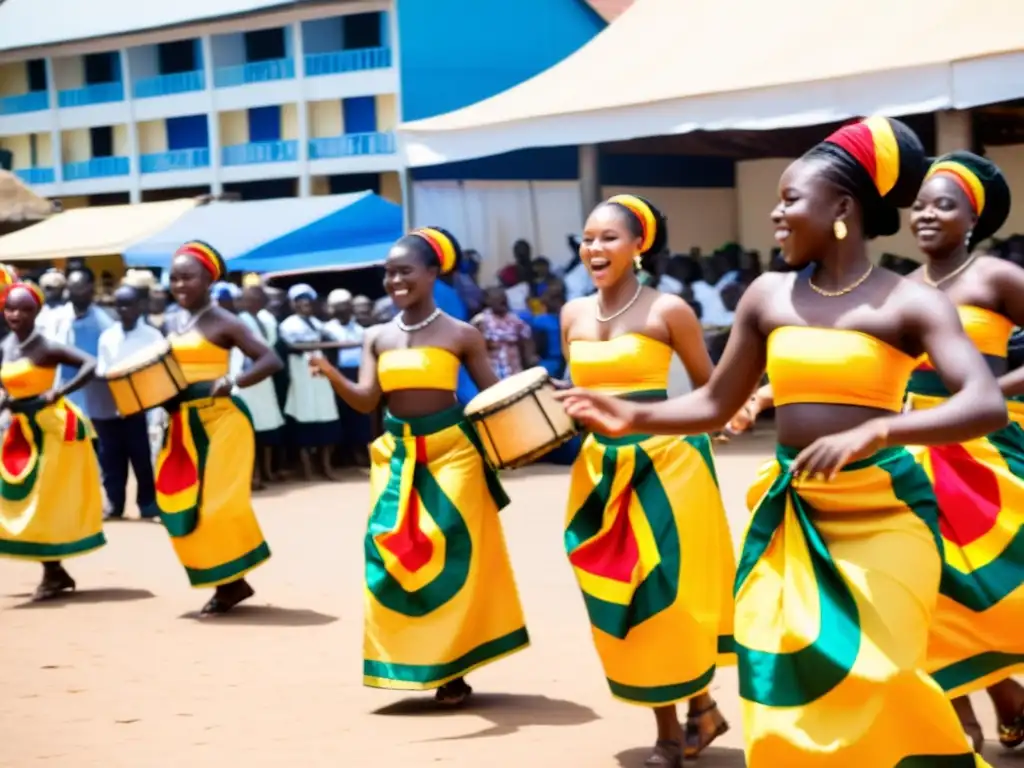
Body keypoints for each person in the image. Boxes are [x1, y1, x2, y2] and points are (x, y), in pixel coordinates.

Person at [556, 117, 1007, 766]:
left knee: (878, 674)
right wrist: (633, 415)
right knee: (779, 686)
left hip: (886, 519)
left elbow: (983, 402)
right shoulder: (767, 296)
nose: (776, 213)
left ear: (843, 209)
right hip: (793, 516)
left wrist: (881, 427)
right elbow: (715, 401)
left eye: (791, 199)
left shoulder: (908, 303)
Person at [310, 226, 528, 705]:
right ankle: (413, 660)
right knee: (390, 553)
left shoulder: (462, 333)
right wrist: (330, 375)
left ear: (433, 273)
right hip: (398, 455)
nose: (394, 280)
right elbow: (367, 399)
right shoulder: (376, 336)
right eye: (388, 273)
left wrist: (535, 415)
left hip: (454, 453)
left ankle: (454, 670)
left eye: (405, 270)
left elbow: (492, 394)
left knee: (449, 555)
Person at [560, 195, 734, 766]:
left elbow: (712, 390)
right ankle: (700, 708)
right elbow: (573, 390)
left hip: (668, 466)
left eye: (609, 237)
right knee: (620, 595)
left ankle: (670, 731)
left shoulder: (669, 310)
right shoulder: (572, 314)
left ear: (640, 246)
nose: (594, 248)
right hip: (599, 472)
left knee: (663, 595)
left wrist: (735, 415)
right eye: (588, 238)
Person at [904, 152, 1024, 751]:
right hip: (919, 449)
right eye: (920, 204)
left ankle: (1005, 695)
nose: (927, 214)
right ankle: (963, 719)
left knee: (989, 586)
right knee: (930, 586)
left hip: (990, 449)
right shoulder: (898, 288)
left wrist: (986, 393)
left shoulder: (997, 278)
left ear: (972, 219)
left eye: (943, 204)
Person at [160, 241, 283, 615]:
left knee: (216, 506)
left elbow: (270, 359)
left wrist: (236, 381)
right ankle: (232, 583)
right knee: (179, 504)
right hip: (181, 422)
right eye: (175, 278)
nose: (180, 285)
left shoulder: (224, 320)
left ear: (208, 280)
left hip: (223, 422)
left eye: (188, 278)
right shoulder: (170, 320)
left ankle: (229, 582)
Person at [0, 275, 105, 600]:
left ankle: (52, 571)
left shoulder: (43, 345)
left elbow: (89, 364)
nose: (15, 315)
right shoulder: (7, 344)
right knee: (16, 495)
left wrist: (60, 389)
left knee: (44, 500)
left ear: (36, 312)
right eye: (10, 309)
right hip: (20, 427)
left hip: (52, 430)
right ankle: (55, 571)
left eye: (23, 310)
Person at [94, 285, 162, 521]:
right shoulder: (108, 337)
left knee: (142, 458)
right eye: (119, 305)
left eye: (129, 304)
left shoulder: (152, 336)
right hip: (112, 407)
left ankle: (147, 504)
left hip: (143, 408)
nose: (124, 310)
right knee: (112, 460)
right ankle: (115, 504)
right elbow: (103, 371)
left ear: (140, 306)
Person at [279, 284, 341, 481]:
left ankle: (326, 467)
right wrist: (316, 343)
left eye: (308, 301)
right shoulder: (288, 324)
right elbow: (294, 346)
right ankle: (307, 470)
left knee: (326, 417)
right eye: (300, 301)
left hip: (320, 375)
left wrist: (321, 342)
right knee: (304, 421)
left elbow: (331, 339)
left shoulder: (316, 322)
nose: (305, 305)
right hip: (302, 375)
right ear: (293, 304)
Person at [233, 276, 286, 489]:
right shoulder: (239, 321)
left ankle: (266, 472)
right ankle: (252, 474)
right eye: (251, 298)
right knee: (248, 429)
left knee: (267, 427)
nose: (257, 301)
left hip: (264, 379)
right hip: (247, 379)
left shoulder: (266, 320)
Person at [324, 289, 370, 467]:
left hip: (358, 373)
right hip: (337, 374)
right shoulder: (327, 329)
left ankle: (359, 453)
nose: (343, 310)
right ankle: (343, 457)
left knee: (359, 413)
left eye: (346, 306)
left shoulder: (360, 328)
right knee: (340, 413)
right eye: (338, 307)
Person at [471, 286, 538, 380]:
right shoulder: (480, 321)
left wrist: (530, 357)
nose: (502, 301)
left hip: (514, 371)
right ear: (488, 301)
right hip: (493, 372)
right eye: (498, 299)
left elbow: (527, 338)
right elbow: (473, 348)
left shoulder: (515, 320)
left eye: (504, 299)